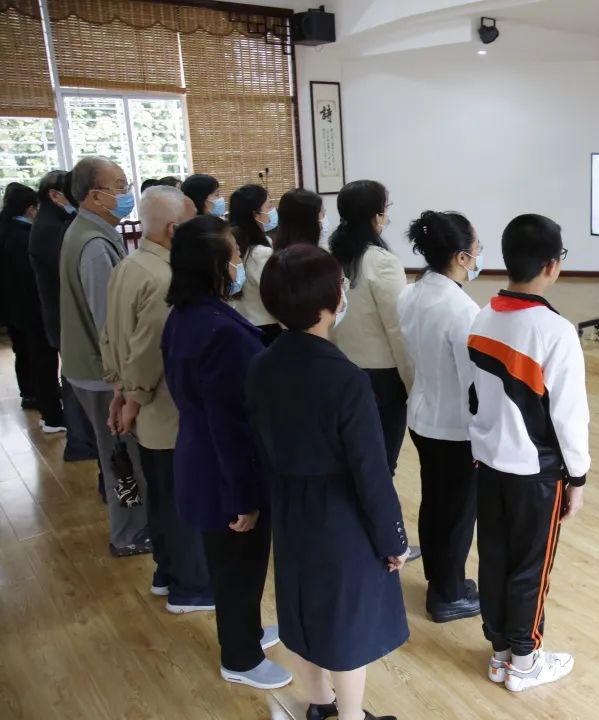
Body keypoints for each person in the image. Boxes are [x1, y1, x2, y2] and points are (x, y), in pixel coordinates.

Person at [248, 245, 408, 720]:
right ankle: (351, 716)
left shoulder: (261, 364)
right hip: (341, 514)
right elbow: (371, 472)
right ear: (329, 301)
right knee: (347, 622)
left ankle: (320, 705)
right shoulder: (346, 379)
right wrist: (393, 538)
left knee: (302, 610)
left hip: (289, 506)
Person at [161, 214, 291, 690]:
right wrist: (244, 499)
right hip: (225, 473)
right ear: (215, 265)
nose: (239, 265)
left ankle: (248, 632)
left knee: (235, 564)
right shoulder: (220, 332)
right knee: (238, 567)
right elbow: (231, 425)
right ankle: (240, 656)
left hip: (202, 457)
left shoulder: (188, 316)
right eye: (235, 257)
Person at [468, 214, 589, 693]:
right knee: (530, 569)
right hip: (535, 473)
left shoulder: (482, 316)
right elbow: (570, 416)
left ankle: (500, 652)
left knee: (494, 558)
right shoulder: (555, 331)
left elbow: (474, 396)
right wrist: (578, 477)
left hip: (487, 465)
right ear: (552, 265)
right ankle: (525, 660)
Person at [99, 186, 212, 612]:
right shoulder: (165, 278)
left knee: (162, 495)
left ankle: (166, 572)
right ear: (174, 229)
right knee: (182, 499)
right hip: (163, 407)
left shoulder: (130, 264)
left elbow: (111, 336)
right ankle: (191, 588)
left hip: (140, 403)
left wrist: (118, 390)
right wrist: (132, 397)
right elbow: (148, 352)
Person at [58, 156, 151, 557]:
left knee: (120, 453)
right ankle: (129, 535)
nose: (127, 193)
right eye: (120, 186)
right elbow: (107, 325)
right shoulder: (94, 246)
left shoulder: (89, 230)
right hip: (101, 376)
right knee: (122, 457)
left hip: (94, 369)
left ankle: (134, 528)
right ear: (95, 196)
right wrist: (122, 386)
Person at [398, 210, 483, 623]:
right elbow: (473, 383)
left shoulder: (411, 294)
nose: (480, 254)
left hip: (422, 417)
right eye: (477, 248)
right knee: (457, 513)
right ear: (461, 258)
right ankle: (447, 594)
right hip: (454, 428)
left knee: (435, 504)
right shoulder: (462, 310)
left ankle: (441, 579)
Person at [328, 180, 418, 559]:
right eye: (386, 208)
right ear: (376, 216)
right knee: (381, 468)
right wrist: (413, 384)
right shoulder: (380, 261)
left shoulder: (332, 254)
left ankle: (356, 539)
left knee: (353, 463)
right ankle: (382, 542)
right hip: (381, 381)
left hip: (340, 372)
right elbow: (399, 330)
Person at [29, 171, 98, 461]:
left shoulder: (57, 222)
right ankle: (80, 442)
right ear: (55, 195)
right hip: (62, 313)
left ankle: (83, 439)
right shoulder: (51, 227)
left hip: (63, 312)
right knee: (74, 377)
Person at [1, 182, 64, 430]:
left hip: (14, 308)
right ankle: (50, 412)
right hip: (33, 308)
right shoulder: (24, 236)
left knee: (26, 353)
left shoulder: (7, 230)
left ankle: (30, 394)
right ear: (30, 209)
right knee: (43, 360)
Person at [228, 184, 280, 345]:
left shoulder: (233, 243)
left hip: (242, 323)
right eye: (269, 206)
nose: (273, 210)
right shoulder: (259, 253)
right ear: (255, 214)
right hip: (266, 328)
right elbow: (276, 296)